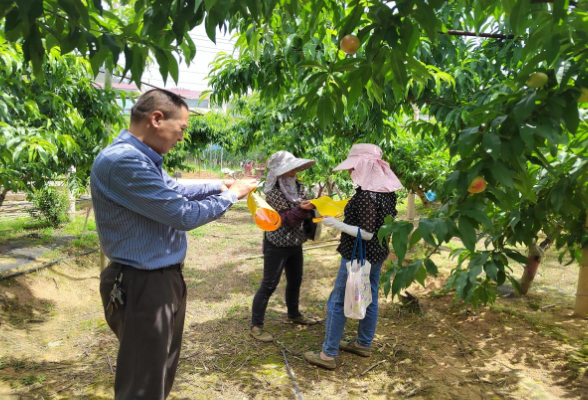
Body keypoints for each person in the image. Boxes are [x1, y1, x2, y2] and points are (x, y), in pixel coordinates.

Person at [91, 89, 257, 399]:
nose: (181, 138)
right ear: (156, 119)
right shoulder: (124, 161)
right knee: (142, 383)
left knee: (158, 372)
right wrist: (231, 196)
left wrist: (219, 185)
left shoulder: (141, 158)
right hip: (143, 284)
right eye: (181, 128)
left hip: (158, 280)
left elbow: (173, 188)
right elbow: (182, 214)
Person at [303, 143, 402, 369]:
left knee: (338, 301)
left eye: (353, 167)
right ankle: (363, 343)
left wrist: (336, 224)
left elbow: (366, 233)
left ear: (364, 167)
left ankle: (328, 354)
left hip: (358, 255)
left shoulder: (366, 196)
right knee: (370, 296)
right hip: (377, 253)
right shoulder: (386, 193)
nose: (350, 171)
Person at [250, 151, 318, 342]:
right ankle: (256, 325)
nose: (295, 170)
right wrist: (302, 209)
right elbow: (285, 219)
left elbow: (307, 208)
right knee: (269, 284)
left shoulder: (298, 186)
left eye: (296, 167)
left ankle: (294, 313)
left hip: (296, 242)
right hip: (277, 244)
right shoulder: (273, 192)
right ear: (282, 170)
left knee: (295, 280)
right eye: (292, 167)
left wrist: (316, 206)